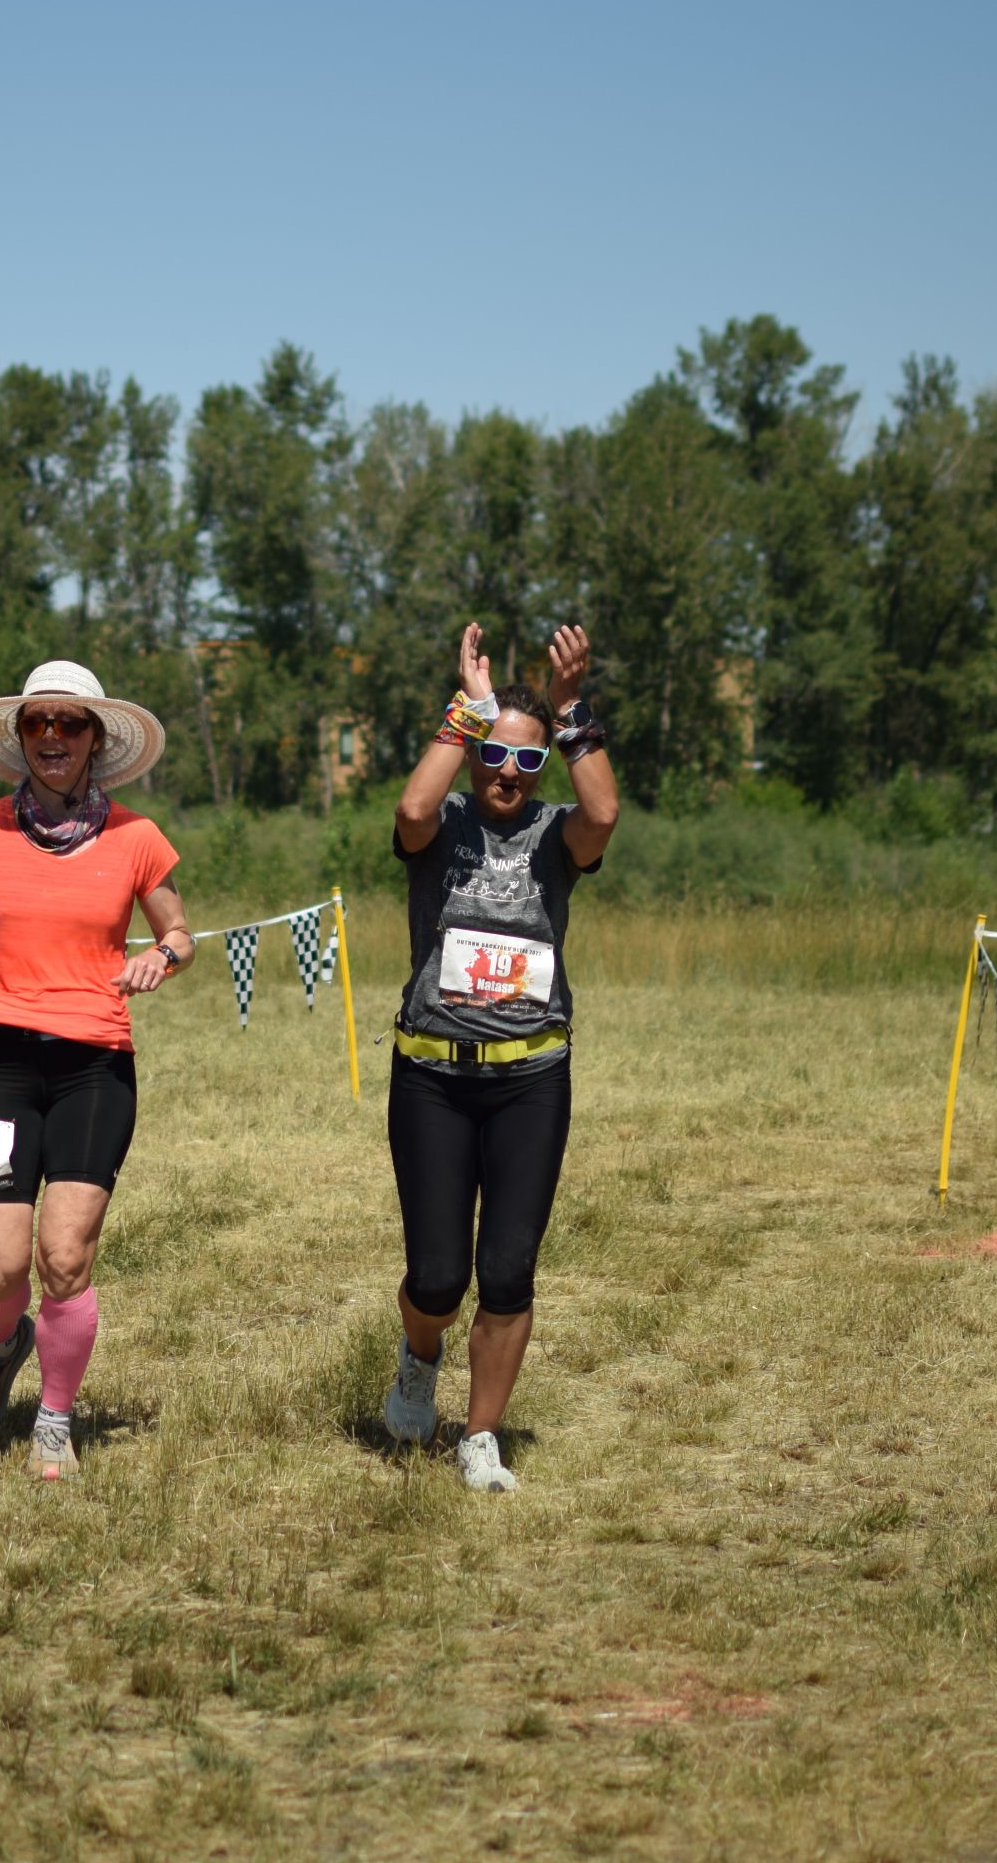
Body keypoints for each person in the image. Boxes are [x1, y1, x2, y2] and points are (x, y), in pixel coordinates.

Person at [0, 661, 189, 1481]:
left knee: (64, 1257)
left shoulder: (137, 839)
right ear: (19, 738)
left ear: (95, 740)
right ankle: (5, 1342)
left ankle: (54, 1418)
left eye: (69, 723)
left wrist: (161, 960)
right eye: (37, 722)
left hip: (95, 1066)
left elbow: (179, 933)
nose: (52, 736)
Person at [377, 621, 619, 1492]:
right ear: (473, 753)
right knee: (438, 1277)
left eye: (526, 759)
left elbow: (604, 814)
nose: (507, 773)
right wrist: (470, 712)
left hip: (531, 1079)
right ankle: (419, 1357)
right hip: (433, 1078)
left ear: (543, 766)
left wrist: (568, 708)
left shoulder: (558, 833)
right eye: (493, 755)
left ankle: (480, 1437)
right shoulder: (441, 825)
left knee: (509, 1270)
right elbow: (409, 811)